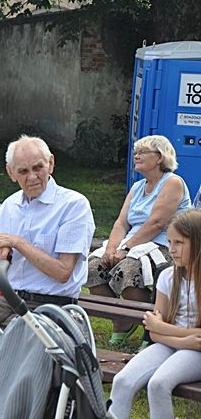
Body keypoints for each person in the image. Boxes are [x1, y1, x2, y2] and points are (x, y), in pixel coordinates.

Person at [0, 135, 95, 415]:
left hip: (55, 305)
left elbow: (63, 273)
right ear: (10, 173)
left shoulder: (73, 205)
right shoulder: (10, 205)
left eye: (38, 167)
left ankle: (9, 407)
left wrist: (18, 243)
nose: (33, 177)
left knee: (19, 332)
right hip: (13, 298)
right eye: (23, 171)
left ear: (51, 163)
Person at [86, 135, 191, 345]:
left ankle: (149, 326)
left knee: (128, 268)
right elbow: (121, 223)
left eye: (142, 152)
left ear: (160, 157)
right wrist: (112, 248)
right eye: (136, 152)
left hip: (166, 245)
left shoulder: (172, 183)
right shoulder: (137, 187)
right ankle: (122, 319)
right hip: (133, 244)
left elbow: (157, 223)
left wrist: (125, 248)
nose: (136, 156)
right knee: (93, 266)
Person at [108, 209, 201, 419]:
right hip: (174, 344)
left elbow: (164, 329)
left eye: (179, 243)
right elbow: (154, 333)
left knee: (159, 384)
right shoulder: (169, 276)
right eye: (169, 242)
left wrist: (163, 329)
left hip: (196, 354)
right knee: (122, 381)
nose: (172, 250)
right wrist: (184, 339)